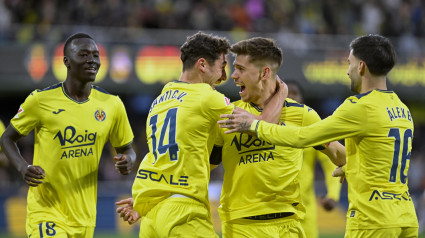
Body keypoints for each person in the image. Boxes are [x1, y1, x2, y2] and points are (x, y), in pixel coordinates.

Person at [219, 34, 419, 237]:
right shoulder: (402, 109)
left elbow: (302, 138)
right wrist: (354, 168)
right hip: (406, 215)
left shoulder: (358, 107)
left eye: (349, 63)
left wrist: (254, 125)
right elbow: (380, 156)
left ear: (360, 67)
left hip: (373, 217)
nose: (347, 70)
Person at [115, 32, 286, 237]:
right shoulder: (207, 97)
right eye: (222, 66)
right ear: (203, 65)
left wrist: (144, 200)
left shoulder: (160, 100)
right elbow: (264, 127)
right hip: (183, 212)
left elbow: (172, 158)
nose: (224, 76)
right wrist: (282, 91)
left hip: (152, 213)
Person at [0, 33, 136, 237]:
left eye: (95, 55)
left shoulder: (112, 105)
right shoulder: (40, 101)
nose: (92, 60)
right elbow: (7, 138)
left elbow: (126, 148)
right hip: (46, 213)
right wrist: (22, 167)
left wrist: (129, 160)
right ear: (67, 62)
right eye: (83, 54)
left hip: (85, 218)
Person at [209, 37, 345, 238]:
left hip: (288, 226)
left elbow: (338, 154)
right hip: (240, 227)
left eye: (241, 69)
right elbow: (204, 166)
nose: (234, 75)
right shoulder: (227, 114)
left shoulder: (303, 115)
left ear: (265, 73)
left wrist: (352, 168)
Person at [287, 80, 342, 238]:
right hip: (275, 209)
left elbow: (331, 162)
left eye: (295, 93)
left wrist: (333, 195)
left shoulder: (312, 130)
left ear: (302, 100)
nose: (291, 97)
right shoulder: (267, 127)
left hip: (305, 210)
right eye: (287, 93)